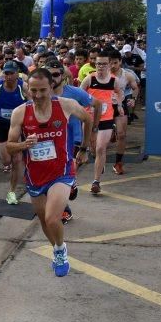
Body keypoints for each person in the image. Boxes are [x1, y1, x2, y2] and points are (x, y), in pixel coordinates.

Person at [6, 69, 93, 277]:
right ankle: (55, 248)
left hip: (61, 171)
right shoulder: (20, 112)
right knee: (44, 220)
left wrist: (83, 148)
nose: (37, 95)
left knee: (53, 218)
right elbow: (9, 146)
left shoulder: (65, 105)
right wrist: (23, 145)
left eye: (42, 90)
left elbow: (87, 119)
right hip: (35, 175)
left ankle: (61, 250)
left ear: (51, 87)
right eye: (33, 90)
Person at [40, 60, 99, 223]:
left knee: (60, 175)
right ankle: (69, 189)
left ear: (63, 75)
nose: (52, 78)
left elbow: (97, 104)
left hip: (72, 141)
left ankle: (64, 208)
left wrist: (92, 134)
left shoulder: (74, 93)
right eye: (48, 75)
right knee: (50, 176)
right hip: (49, 142)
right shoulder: (41, 94)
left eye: (55, 75)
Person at [0, 61, 29, 204]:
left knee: (16, 160)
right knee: (6, 160)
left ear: (17, 74)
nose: (8, 76)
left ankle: (12, 191)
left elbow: (33, 104)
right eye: (6, 73)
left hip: (18, 126)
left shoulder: (24, 87)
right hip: (1, 125)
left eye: (11, 73)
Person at [81, 50, 123, 195]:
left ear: (110, 65)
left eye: (104, 64)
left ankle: (96, 182)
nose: (100, 67)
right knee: (92, 148)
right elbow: (80, 94)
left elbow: (119, 92)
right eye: (98, 64)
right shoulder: (89, 79)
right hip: (89, 119)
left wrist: (119, 104)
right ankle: (101, 163)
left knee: (100, 148)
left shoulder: (114, 81)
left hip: (106, 119)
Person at [109, 49, 139, 175]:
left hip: (120, 106)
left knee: (122, 135)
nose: (112, 66)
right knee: (100, 141)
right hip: (105, 107)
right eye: (110, 63)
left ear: (120, 62)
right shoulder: (100, 74)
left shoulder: (127, 75)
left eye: (115, 63)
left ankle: (118, 163)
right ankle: (111, 130)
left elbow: (135, 87)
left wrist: (133, 98)